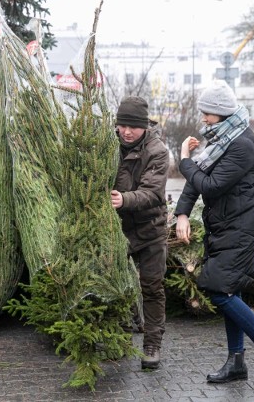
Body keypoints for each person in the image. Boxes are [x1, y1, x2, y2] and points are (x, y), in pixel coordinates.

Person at [174, 81, 254, 389]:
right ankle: (236, 362)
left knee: (218, 290)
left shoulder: (242, 143)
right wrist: (182, 213)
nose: (203, 119)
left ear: (221, 113)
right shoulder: (220, 138)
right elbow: (198, 178)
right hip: (225, 226)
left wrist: (184, 161)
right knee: (231, 290)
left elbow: (210, 185)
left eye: (207, 114)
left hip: (241, 229)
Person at [110, 96, 169, 370]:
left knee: (152, 287)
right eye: (122, 125)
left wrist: (124, 199)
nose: (126, 131)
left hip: (151, 229)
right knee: (116, 285)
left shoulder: (157, 151)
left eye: (132, 126)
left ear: (144, 126)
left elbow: (153, 192)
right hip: (119, 231)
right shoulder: (110, 146)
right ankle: (120, 339)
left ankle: (152, 345)